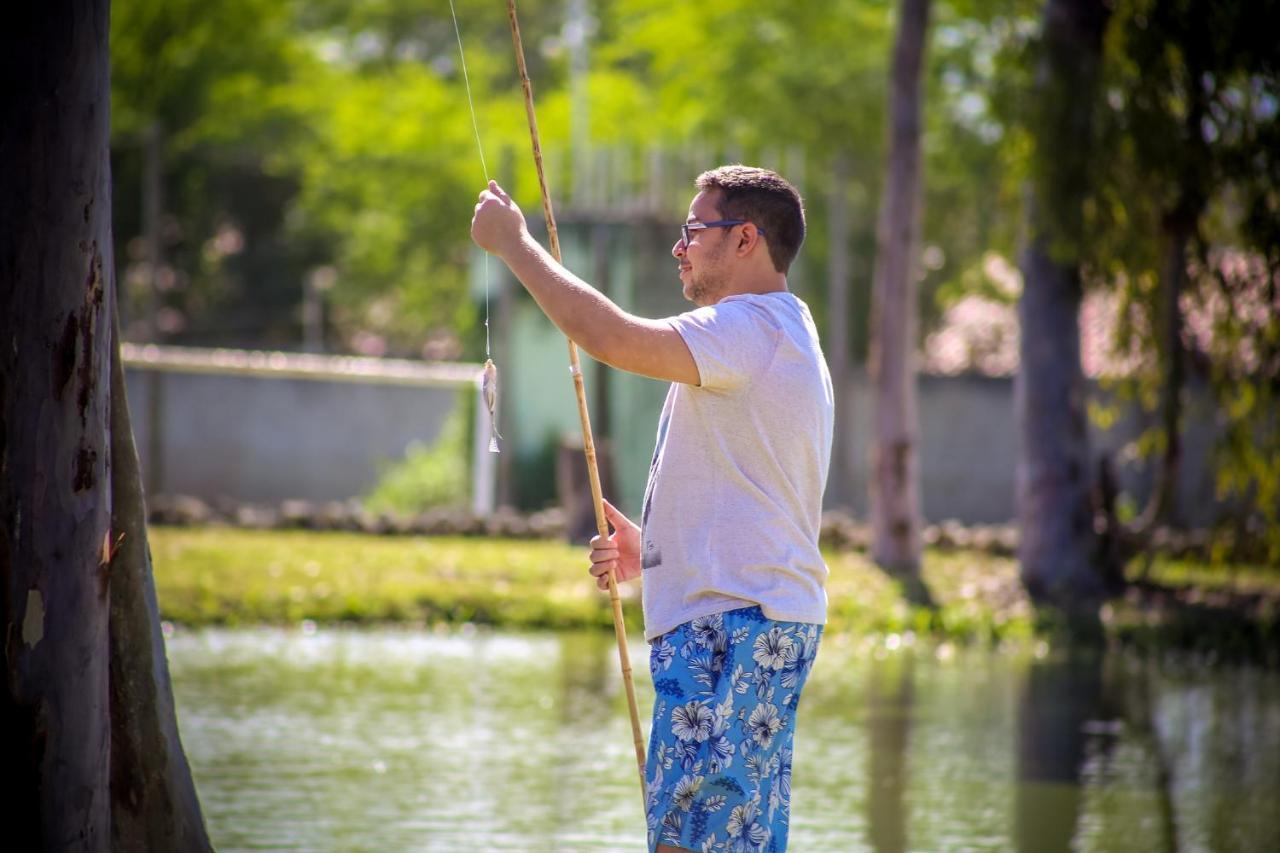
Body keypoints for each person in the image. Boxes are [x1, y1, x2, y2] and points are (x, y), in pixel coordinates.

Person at [471, 165, 833, 853]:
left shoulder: (749, 327)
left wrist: (516, 245)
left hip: (740, 624)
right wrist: (657, 548)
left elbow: (611, 338)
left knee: (699, 844)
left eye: (695, 231)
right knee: (699, 840)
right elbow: (751, 486)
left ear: (746, 239)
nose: (680, 246)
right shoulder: (768, 332)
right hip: (735, 616)